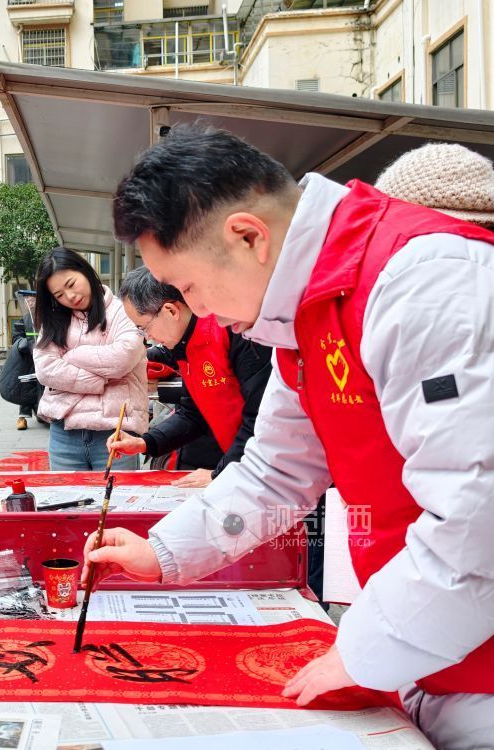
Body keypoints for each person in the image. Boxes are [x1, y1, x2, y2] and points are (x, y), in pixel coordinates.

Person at [86, 124, 494, 749]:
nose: (199, 309)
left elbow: (477, 519)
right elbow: (275, 475)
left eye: (190, 287)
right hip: (434, 651)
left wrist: (362, 652)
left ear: (248, 235)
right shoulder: (302, 315)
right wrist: (164, 552)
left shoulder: (423, 280)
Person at [109, 266, 272, 488]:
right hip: (247, 469)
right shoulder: (184, 345)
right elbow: (193, 413)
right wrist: (146, 442)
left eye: (143, 327)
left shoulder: (232, 329)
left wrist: (221, 473)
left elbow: (262, 415)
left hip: (271, 467)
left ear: (170, 311)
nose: (147, 337)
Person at [32, 247, 148, 472]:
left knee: (116, 503)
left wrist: (71, 355)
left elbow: (122, 359)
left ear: (85, 270)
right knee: (68, 504)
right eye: (59, 295)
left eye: (71, 284)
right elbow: (46, 370)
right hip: (63, 433)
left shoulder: (123, 310)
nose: (70, 297)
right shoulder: (54, 321)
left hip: (116, 432)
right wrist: (100, 380)